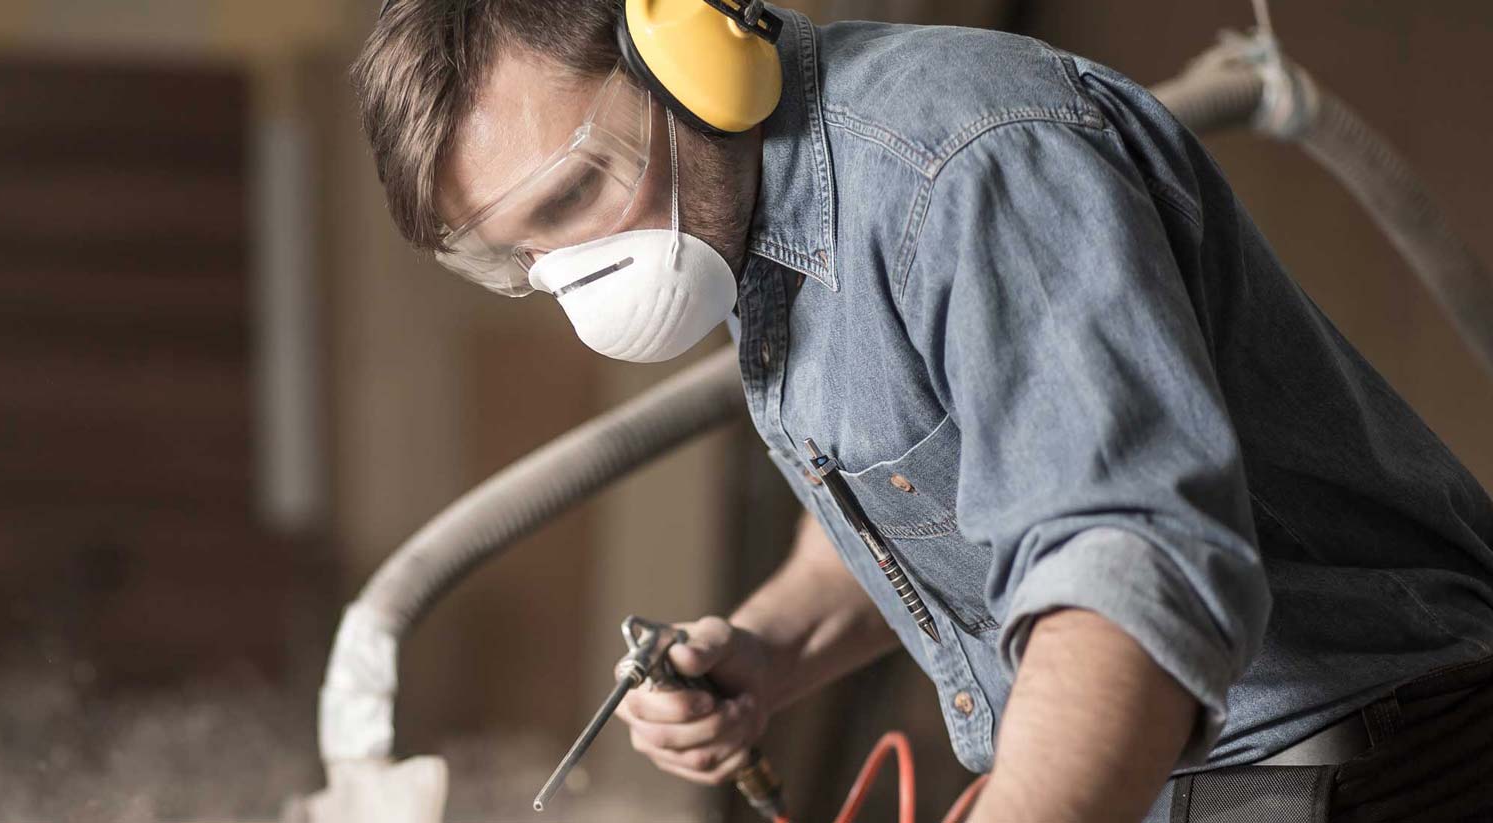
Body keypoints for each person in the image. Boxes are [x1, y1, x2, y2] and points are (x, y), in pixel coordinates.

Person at [349, 1, 1493, 820]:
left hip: (1353, 759)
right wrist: (775, 645)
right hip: (1196, 760)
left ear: (688, 49)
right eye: (523, 258)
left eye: (577, 194)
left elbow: (1126, 584)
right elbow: (932, 475)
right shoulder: (759, 216)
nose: (578, 272)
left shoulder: (967, 168)